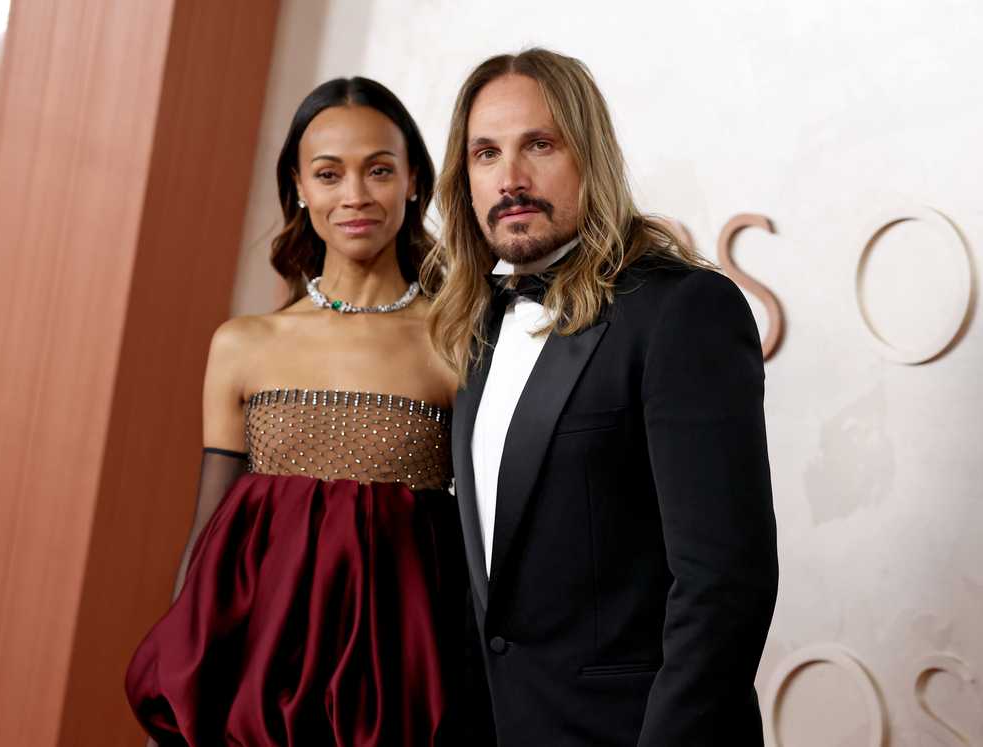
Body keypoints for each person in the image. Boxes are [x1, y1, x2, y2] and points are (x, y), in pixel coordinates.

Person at [421, 48, 779, 745]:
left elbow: (723, 587)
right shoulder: (478, 326)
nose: (511, 178)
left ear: (591, 156)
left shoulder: (684, 310)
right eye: (486, 154)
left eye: (540, 145)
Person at [125, 77, 472, 746]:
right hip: (249, 699)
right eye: (328, 173)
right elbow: (206, 551)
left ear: (413, 182)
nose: (354, 195)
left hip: (396, 700)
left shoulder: (455, 344)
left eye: (378, 169)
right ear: (300, 187)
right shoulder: (243, 345)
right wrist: (174, 711)